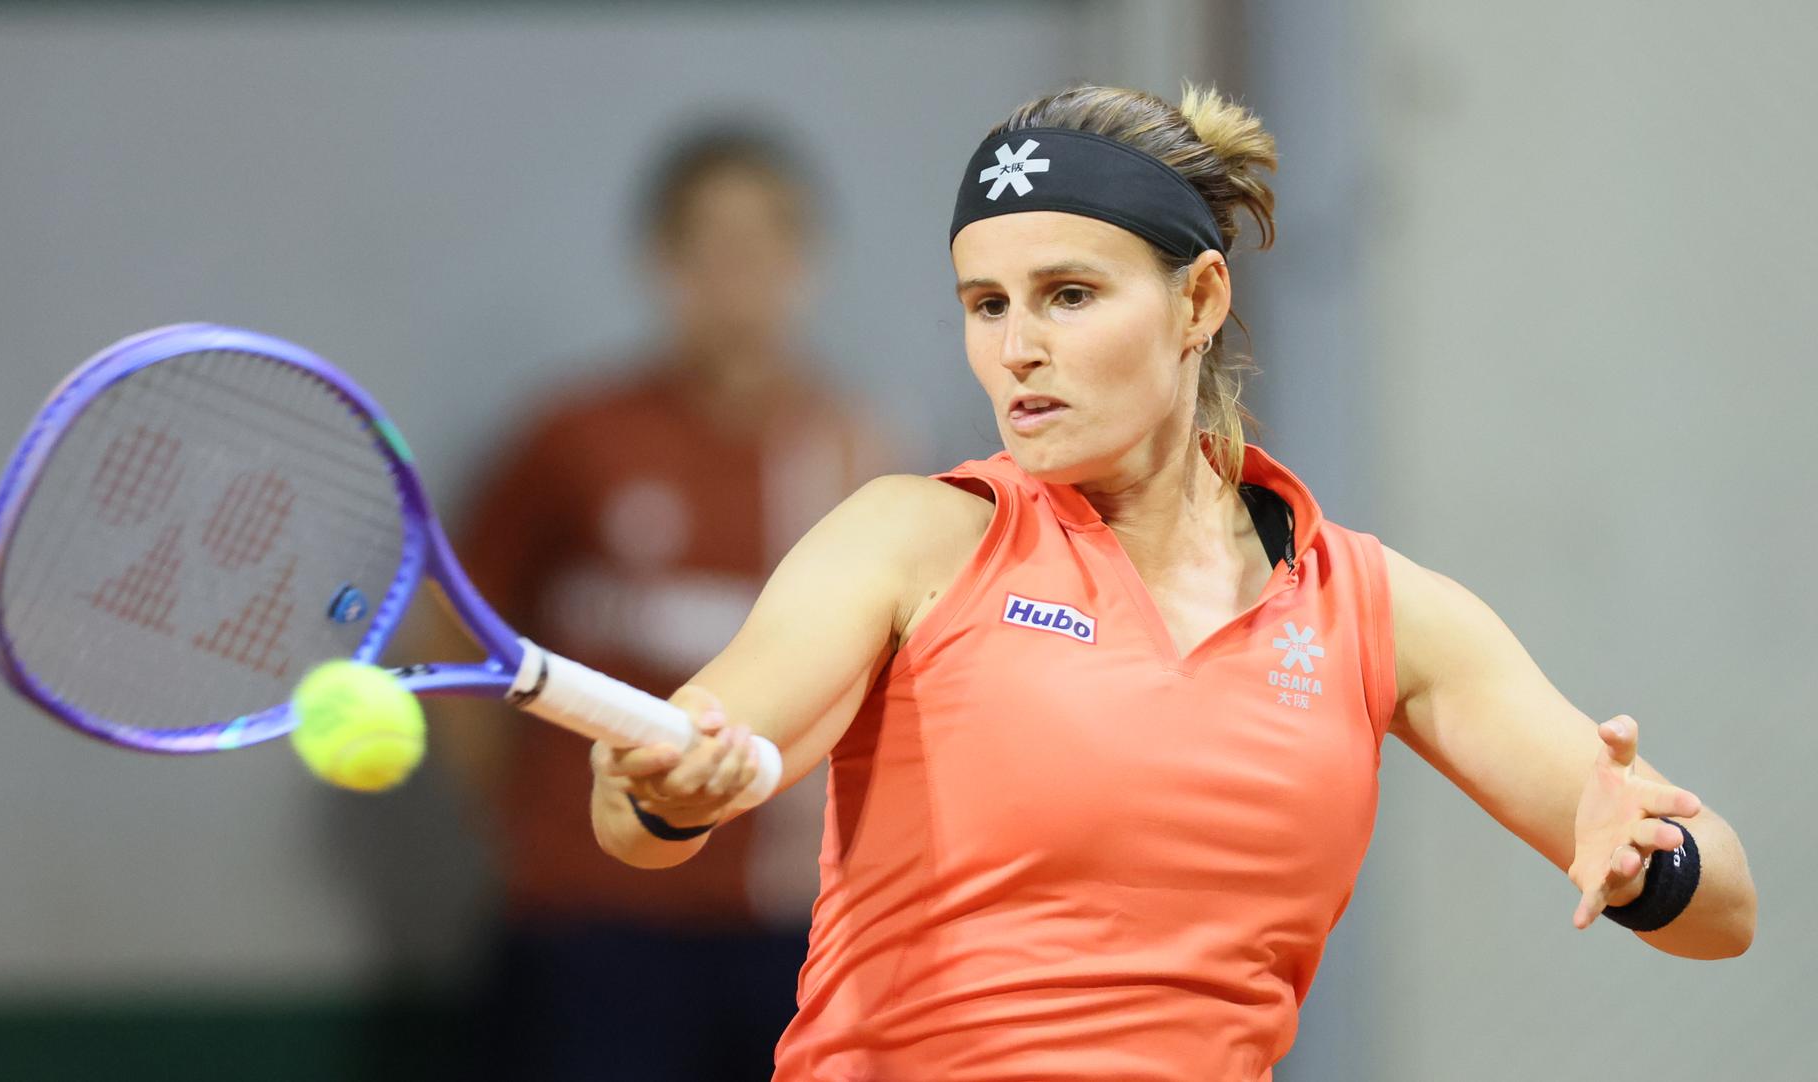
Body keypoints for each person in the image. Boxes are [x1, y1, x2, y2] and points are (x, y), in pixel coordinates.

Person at [588, 84, 1759, 1081]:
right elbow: (663, 791)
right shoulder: (909, 538)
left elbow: (1726, 913)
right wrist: (670, 791)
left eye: (1070, 294)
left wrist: (1653, 861)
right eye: (985, 305)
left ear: (1198, 300)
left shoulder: (1379, 608)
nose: (1017, 347)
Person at [444, 125, 885, 1080]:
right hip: (595, 922)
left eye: (765, 246)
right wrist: (524, 817)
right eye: (713, 249)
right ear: (665, 266)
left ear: (806, 265)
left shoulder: (862, 458)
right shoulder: (574, 436)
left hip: (795, 929)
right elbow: (455, 612)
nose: (741, 275)